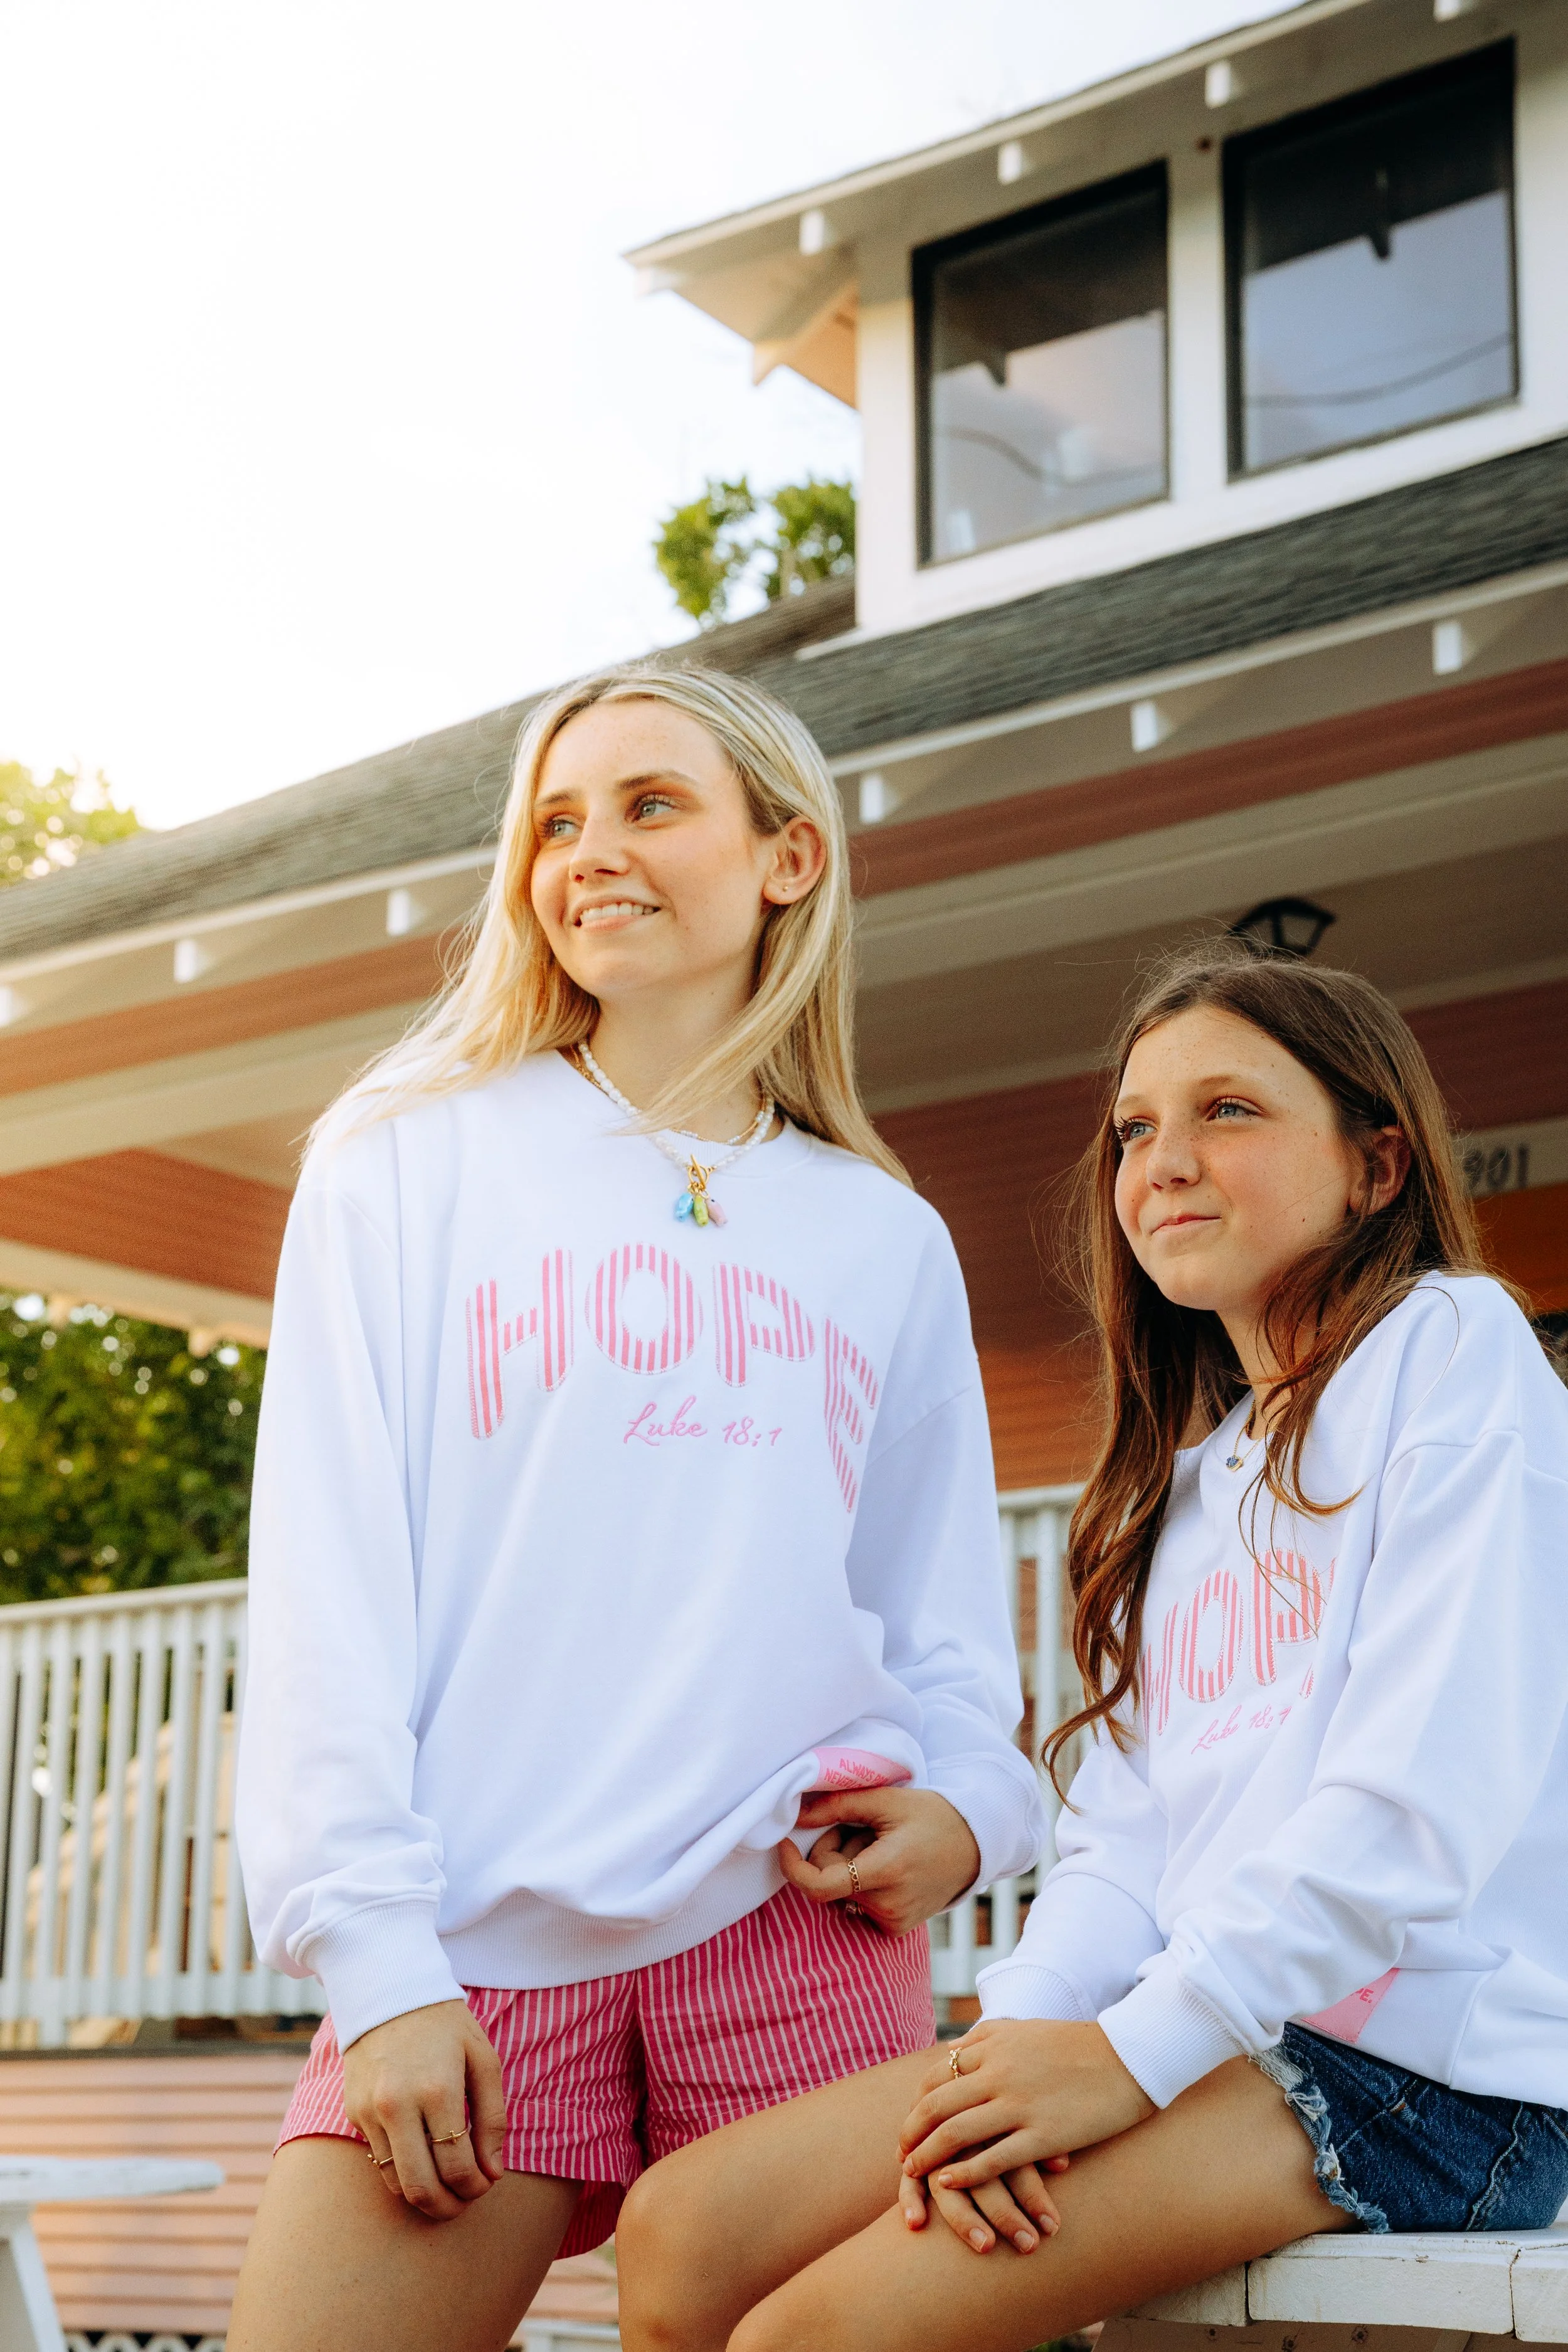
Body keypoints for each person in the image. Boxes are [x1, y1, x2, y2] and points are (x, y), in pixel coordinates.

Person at [225, 664, 1043, 2352]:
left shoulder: (879, 1235)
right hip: (471, 1937)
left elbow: (942, 1627)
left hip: (798, 1919)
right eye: (555, 819)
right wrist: (376, 1954)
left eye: (650, 803)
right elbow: (324, 1583)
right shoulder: (404, 1156)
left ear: (788, 857)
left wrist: (974, 1805)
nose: (587, 850)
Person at [615, 939, 1568, 2352]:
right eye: (1133, 1130)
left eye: (1226, 1111)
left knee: (809, 2339)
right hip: (1218, 2035)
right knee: (682, 2233)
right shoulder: (1193, 1485)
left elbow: (1411, 1812)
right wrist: (1015, 2049)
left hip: (1430, 2076)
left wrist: (1124, 2056)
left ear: (1374, 1167)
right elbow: (1125, 1844)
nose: (1163, 1159)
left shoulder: (1448, 1349)